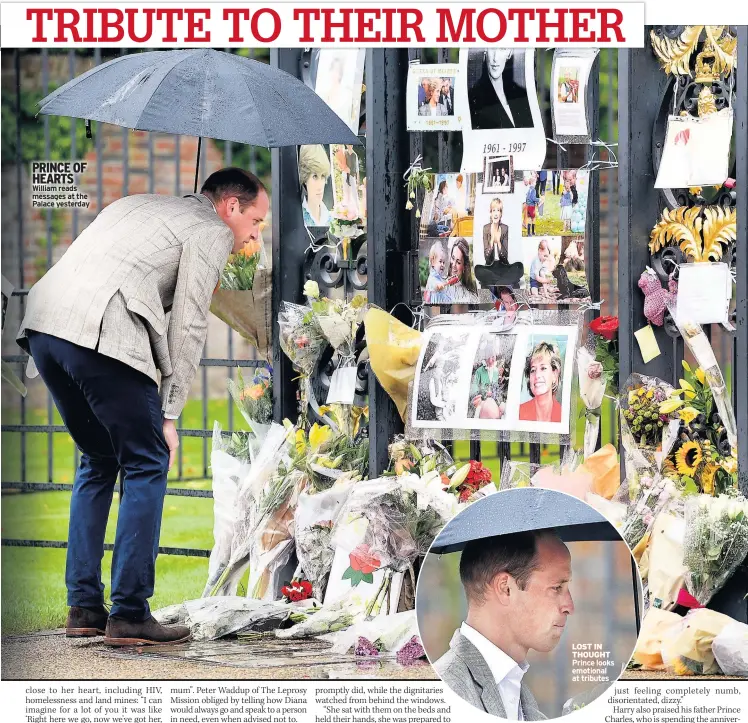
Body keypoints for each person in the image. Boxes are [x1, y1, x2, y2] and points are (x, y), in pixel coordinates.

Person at [16, 168, 269, 646]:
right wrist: (170, 414)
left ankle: (84, 605)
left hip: (46, 325)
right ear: (230, 207)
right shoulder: (210, 230)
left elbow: (132, 273)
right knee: (148, 459)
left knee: (100, 459)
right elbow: (190, 326)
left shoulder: (140, 204)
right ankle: (130, 612)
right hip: (100, 331)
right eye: (255, 222)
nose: (254, 236)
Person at [434, 529, 573, 719]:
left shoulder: (519, 693)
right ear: (506, 588)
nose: (569, 606)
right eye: (557, 588)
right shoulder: (447, 691)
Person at [468, 49, 534, 130]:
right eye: (492, 48)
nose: (495, 58)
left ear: (509, 53)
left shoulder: (522, 95)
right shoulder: (473, 98)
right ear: (485, 50)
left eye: (502, 49)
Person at [519, 341, 564, 423]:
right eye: (533, 370)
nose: (537, 375)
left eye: (543, 368)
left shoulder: (563, 416)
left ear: (555, 374)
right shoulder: (519, 413)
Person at [299, 144, 331, 227]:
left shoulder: (332, 219)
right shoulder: (298, 218)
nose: (320, 185)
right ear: (305, 179)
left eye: (323, 176)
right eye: (315, 176)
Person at [470, 347, 506, 420]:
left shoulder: (496, 371)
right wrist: (483, 394)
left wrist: (496, 393)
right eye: (488, 357)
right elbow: (474, 388)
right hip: (482, 401)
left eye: (493, 357)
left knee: (504, 410)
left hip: (494, 401)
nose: (490, 360)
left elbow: (497, 388)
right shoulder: (479, 371)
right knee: (477, 414)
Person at [447, 237, 478, 303]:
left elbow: (489, 308)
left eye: (458, 262)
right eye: (453, 258)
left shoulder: (471, 295)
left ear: (464, 266)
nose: (453, 265)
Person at [483, 198, 509, 266]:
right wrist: (491, 241)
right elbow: (487, 257)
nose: (496, 214)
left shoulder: (505, 229)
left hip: (502, 266)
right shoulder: (486, 229)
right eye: (493, 210)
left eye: (498, 210)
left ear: (501, 214)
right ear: (490, 213)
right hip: (490, 267)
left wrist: (498, 242)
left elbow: (505, 257)